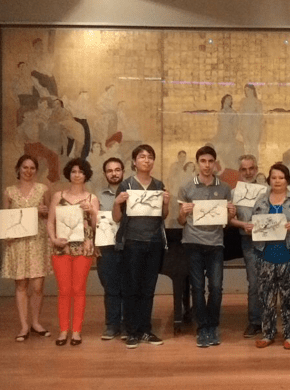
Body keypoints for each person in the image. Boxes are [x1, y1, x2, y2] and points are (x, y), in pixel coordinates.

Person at [112, 145, 170, 348]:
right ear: (134, 161)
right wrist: (117, 202)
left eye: (150, 157)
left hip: (154, 242)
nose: (146, 160)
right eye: (142, 156)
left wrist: (166, 203)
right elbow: (116, 218)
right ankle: (131, 331)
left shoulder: (158, 185)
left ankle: (145, 330)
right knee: (131, 288)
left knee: (148, 288)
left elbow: (163, 216)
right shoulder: (126, 184)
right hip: (132, 242)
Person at [177, 146, 235, 348]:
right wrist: (183, 212)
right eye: (203, 161)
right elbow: (180, 221)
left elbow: (226, 220)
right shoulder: (187, 187)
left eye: (210, 161)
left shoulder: (225, 188)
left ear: (215, 163)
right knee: (197, 287)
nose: (207, 165)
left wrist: (231, 213)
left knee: (216, 287)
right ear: (198, 163)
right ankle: (202, 328)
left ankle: (213, 325)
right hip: (193, 242)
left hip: (215, 243)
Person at [252, 164, 290, 350]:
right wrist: (251, 228)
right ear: (269, 180)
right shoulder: (260, 201)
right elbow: (254, 223)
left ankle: (289, 335)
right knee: (266, 298)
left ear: (287, 180)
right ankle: (268, 334)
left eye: (281, 177)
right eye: (273, 177)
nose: (277, 181)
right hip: (265, 255)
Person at [47, 158, 99, 346]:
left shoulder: (92, 198)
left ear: (86, 175)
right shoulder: (58, 196)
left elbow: (96, 225)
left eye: (81, 172)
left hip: (83, 248)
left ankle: (76, 331)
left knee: (78, 289)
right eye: (74, 171)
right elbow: (50, 222)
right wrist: (53, 239)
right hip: (61, 247)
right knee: (63, 290)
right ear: (69, 174)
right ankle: (63, 330)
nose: (77, 175)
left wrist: (92, 212)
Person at [1, 154, 52, 342]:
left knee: (38, 286)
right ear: (18, 169)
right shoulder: (9, 192)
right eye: (25, 167)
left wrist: (45, 213)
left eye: (32, 168)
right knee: (21, 285)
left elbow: (50, 215)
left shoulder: (43, 189)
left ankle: (36, 322)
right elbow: (6, 218)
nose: (28, 171)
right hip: (18, 242)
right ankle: (24, 325)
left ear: (36, 170)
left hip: (38, 240)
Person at [229, 154, 264, 338]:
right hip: (249, 241)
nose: (248, 172)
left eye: (251, 168)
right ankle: (255, 322)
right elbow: (230, 220)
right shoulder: (234, 193)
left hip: (269, 240)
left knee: (270, 281)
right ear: (239, 171)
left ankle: (269, 320)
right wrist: (242, 224)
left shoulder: (266, 191)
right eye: (244, 169)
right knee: (254, 282)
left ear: (256, 170)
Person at [96, 157, 125, 340]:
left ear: (123, 171)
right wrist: (94, 243)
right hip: (106, 247)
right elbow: (94, 222)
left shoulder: (131, 193)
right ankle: (112, 324)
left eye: (117, 170)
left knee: (129, 286)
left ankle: (128, 323)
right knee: (110, 286)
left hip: (129, 246)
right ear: (105, 174)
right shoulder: (97, 196)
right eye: (110, 170)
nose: (114, 173)